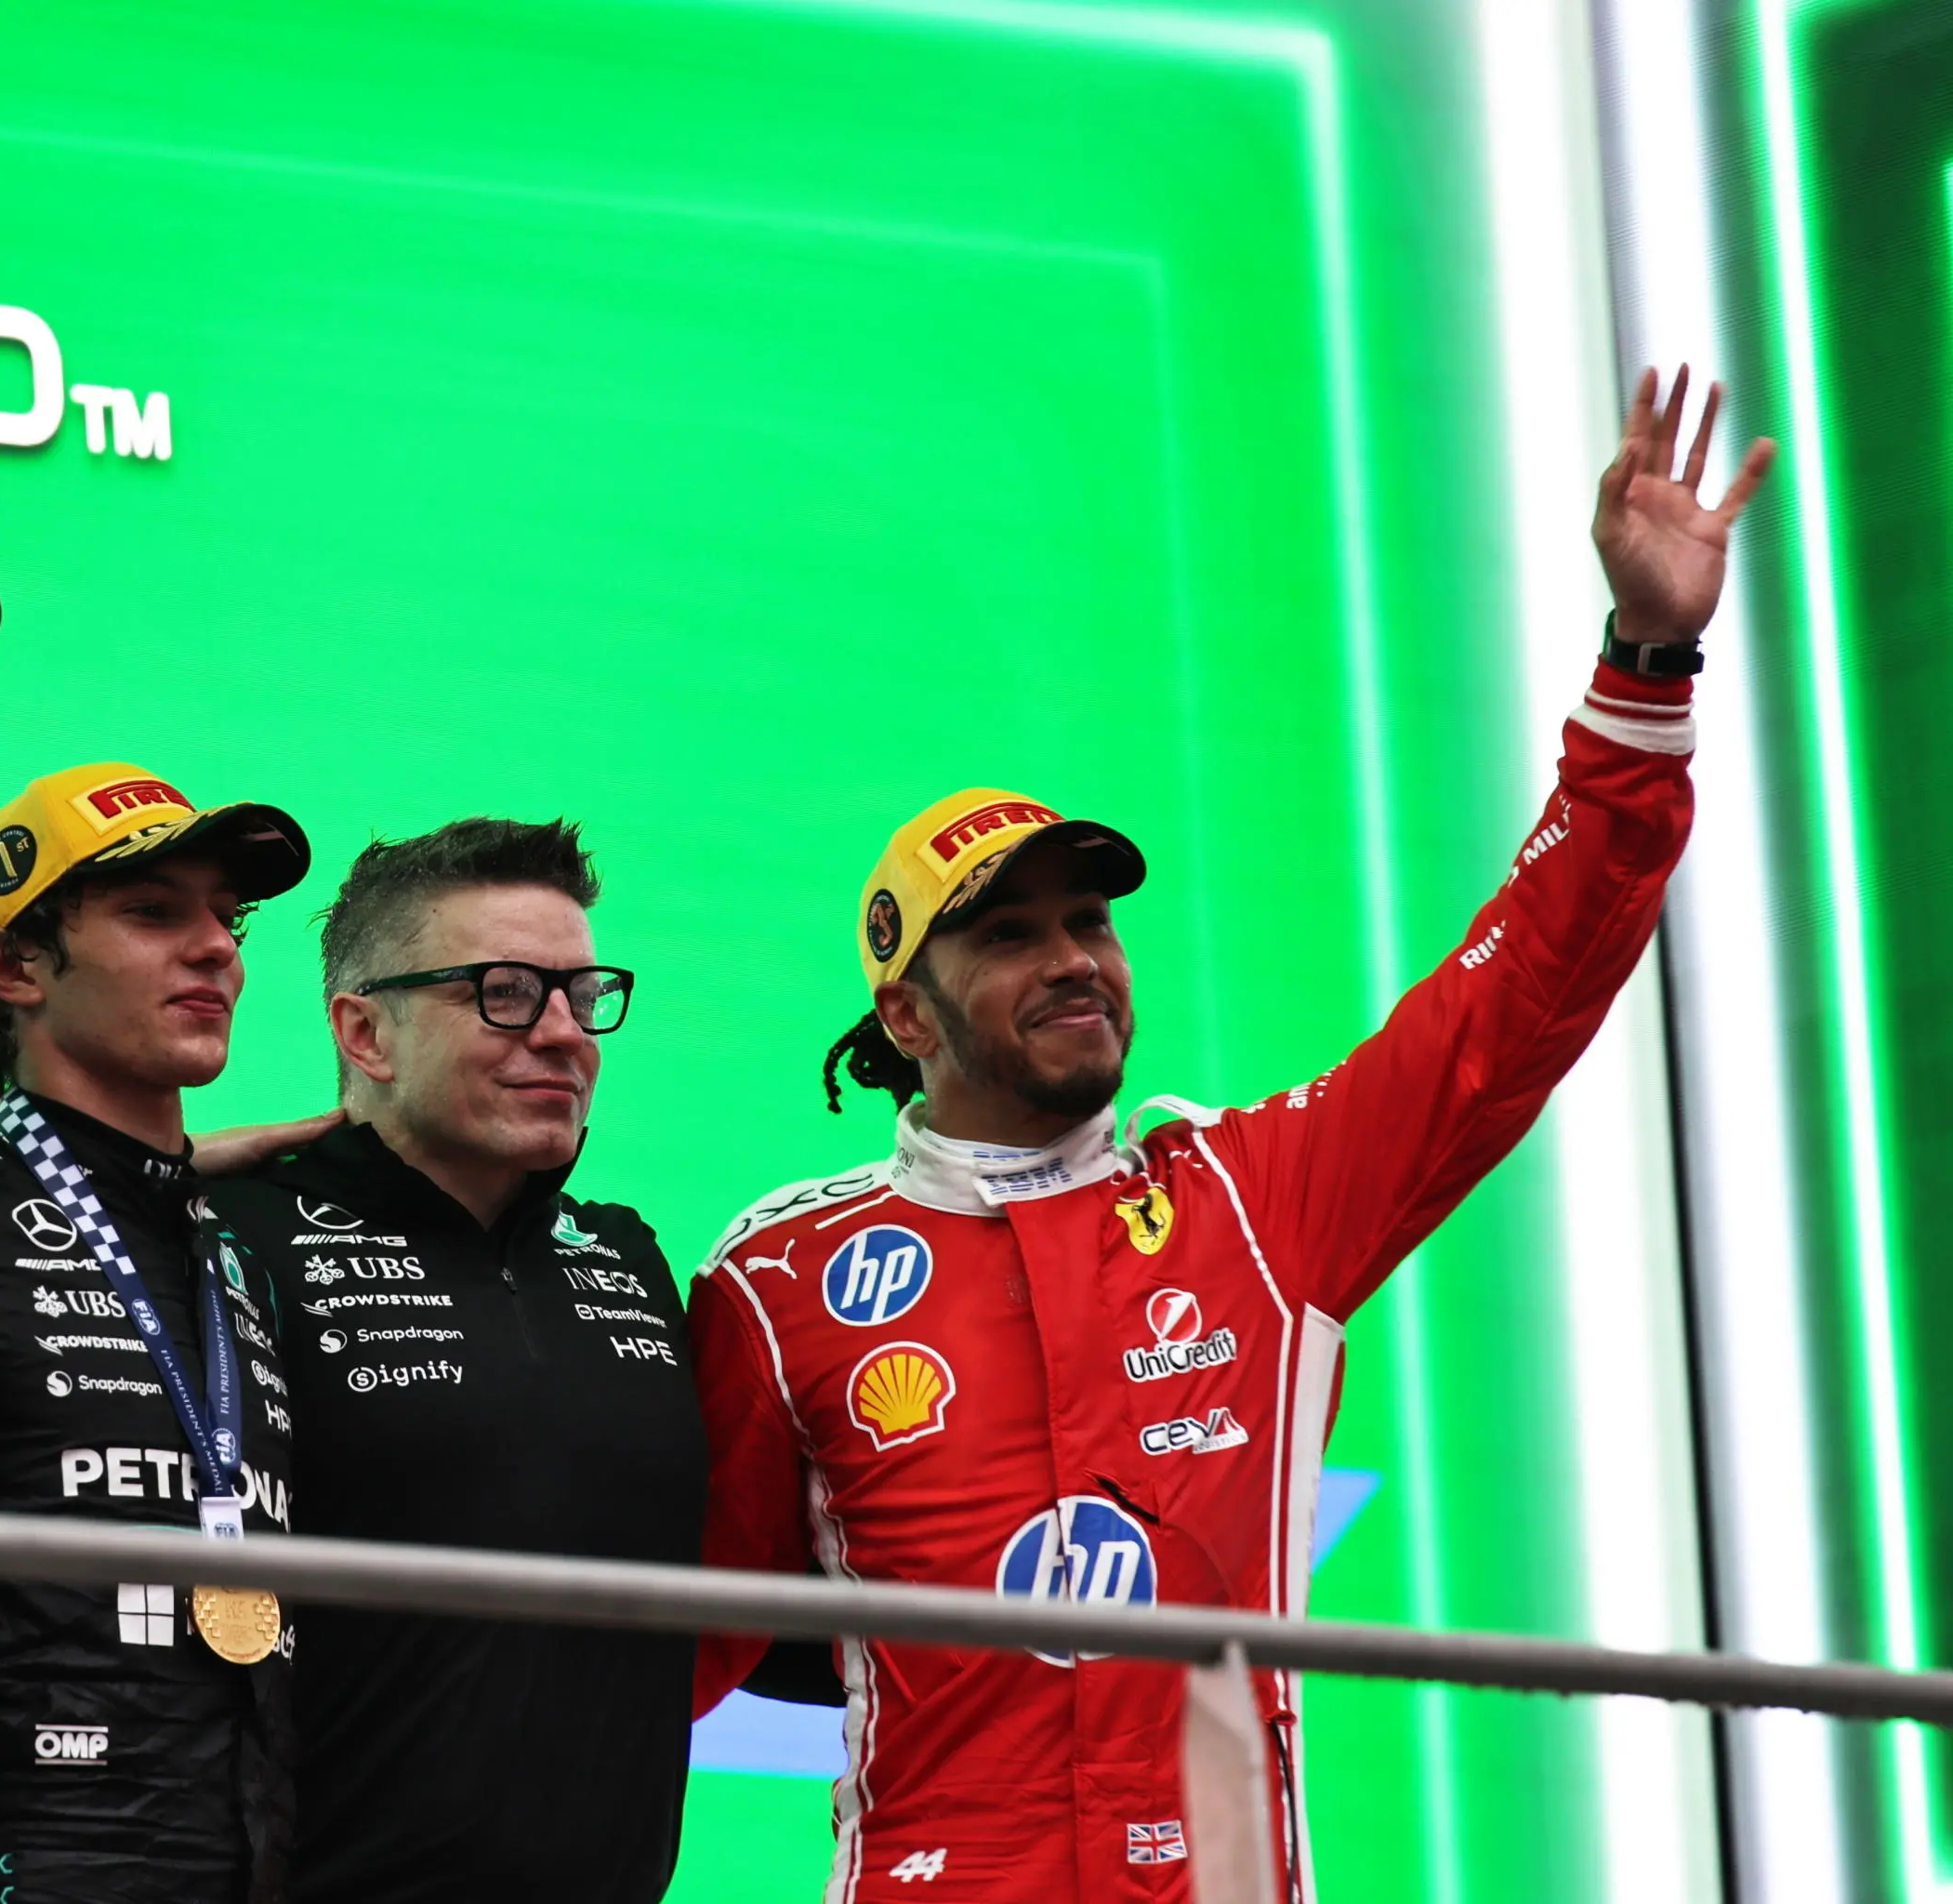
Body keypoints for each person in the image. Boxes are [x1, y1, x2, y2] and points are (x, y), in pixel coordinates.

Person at [689, 369, 1775, 1901]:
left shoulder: (1254, 1199)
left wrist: (1645, 661)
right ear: (907, 1020)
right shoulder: (775, 1277)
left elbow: (1520, 993)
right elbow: (657, 1646)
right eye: (1008, 935)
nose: (1074, 954)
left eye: (1089, 920)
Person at [207, 819, 708, 1904]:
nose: (564, 1031)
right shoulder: (227, 1235)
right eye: (506, 990)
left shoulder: (625, 1254)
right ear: (364, 1031)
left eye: (583, 993)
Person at [0, 764, 319, 1903]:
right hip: (10, 1858)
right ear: (13, 965)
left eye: (227, 917)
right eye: (155, 912)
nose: (218, 949)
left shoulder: (231, 1244)